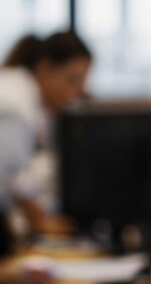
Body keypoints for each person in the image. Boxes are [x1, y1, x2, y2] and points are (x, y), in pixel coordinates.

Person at [0, 31, 91, 254]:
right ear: (45, 68)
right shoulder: (16, 105)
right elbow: (6, 181)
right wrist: (38, 222)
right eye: (72, 79)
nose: (78, 92)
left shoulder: (22, 94)